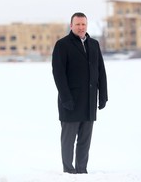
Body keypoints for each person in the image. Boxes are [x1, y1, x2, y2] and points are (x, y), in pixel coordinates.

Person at [52, 12, 108, 174]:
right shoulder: (62, 45)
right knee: (68, 140)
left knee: (85, 140)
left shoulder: (94, 44)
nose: (81, 27)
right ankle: (69, 171)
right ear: (71, 26)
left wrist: (103, 95)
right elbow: (58, 74)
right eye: (77, 24)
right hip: (70, 102)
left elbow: (101, 71)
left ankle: (82, 170)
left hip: (89, 101)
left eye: (83, 24)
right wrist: (66, 98)